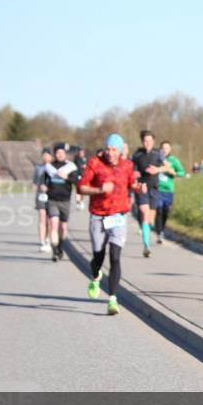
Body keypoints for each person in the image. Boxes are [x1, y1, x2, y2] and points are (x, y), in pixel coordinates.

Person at [77, 133, 141, 315]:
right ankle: (96, 275)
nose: (110, 152)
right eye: (108, 149)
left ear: (120, 151)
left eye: (114, 149)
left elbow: (131, 183)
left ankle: (112, 299)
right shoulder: (94, 163)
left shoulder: (127, 165)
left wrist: (137, 187)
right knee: (98, 256)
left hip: (119, 216)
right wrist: (98, 189)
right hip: (98, 215)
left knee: (115, 256)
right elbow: (81, 187)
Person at [40, 143, 78, 262]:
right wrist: (44, 186)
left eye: (62, 153)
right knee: (53, 225)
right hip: (52, 199)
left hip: (65, 200)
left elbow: (76, 181)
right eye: (57, 153)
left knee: (63, 227)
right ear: (55, 154)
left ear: (65, 154)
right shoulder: (49, 167)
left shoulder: (70, 167)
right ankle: (55, 250)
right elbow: (45, 180)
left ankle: (60, 246)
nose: (60, 155)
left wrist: (66, 177)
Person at [131, 130, 164, 257]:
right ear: (142, 142)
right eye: (145, 141)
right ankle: (146, 246)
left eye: (149, 141)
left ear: (153, 141)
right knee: (144, 214)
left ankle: (147, 233)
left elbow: (168, 167)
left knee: (150, 220)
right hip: (142, 187)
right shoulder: (137, 154)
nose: (147, 143)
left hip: (154, 188)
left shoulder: (158, 153)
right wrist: (134, 175)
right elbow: (132, 170)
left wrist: (158, 169)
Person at [154, 140, 186, 243]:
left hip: (168, 191)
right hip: (158, 189)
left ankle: (162, 229)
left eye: (166, 148)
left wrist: (174, 172)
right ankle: (159, 233)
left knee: (165, 212)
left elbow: (182, 172)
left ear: (170, 149)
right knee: (159, 210)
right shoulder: (156, 159)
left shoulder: (174, 161)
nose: (164, 150)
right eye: (162, 148)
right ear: (160, 149)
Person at [33, 147, 53, 252]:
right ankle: (42, 241)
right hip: (41, 196)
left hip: (52, 196)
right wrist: (37, 188)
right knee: (42, 217)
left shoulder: (54, 167)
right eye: (44, 155)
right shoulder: (38, 168)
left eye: (47, 155)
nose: (45, 157)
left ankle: (48, 239)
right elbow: (35, 182)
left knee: (49, 220)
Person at [72, 146, 88, 210]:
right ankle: (78, 202)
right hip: (78, 176)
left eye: (82, 152)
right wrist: (82, 166)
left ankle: (80, 201)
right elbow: (77, 167)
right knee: (78, 189)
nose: (81, 153)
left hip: (84, 176)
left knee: (82, 190)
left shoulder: (85, 158)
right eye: (80, 152)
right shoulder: (76, 159)